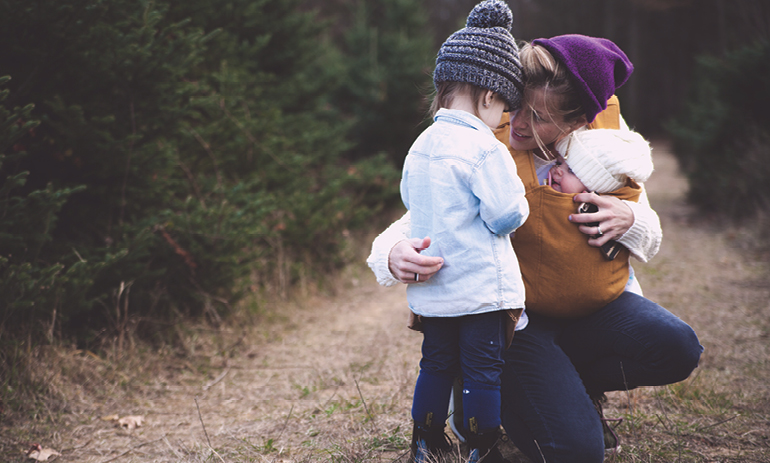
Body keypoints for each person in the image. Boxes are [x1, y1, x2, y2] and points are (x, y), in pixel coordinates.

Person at [367, 34, 703, 462]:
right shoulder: (485, 141)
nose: (520, 122)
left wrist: (630, 220)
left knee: (677, 347)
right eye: (517, 105)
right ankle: (480, 392)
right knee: (577, 453)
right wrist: (391, 251)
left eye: (540, 117)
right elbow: (423, 213)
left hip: (591, 310)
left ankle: (569, 383)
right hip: (514, 321)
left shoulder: (604, 149)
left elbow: (651, 235)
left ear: (578, 120)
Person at [399, 2, 529, 462]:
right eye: (507, 108)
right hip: (479, 289)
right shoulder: (483, 147)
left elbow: (411, 202)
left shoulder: (421, 145)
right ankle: (483, 448)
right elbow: (505, 215)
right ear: (490, 96)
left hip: (435, 290)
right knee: (481, 372)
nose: (505, 120)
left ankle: (425, 443)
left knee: (435, 365)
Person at [517, 127, 654, 317]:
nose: (556, 171)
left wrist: (632, 219)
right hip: (538, 301)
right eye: (558, 163)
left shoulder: (610, 202)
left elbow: (651, 239)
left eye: (571, 171)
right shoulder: (535, 188)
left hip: (607, 299)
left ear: (596, 189)